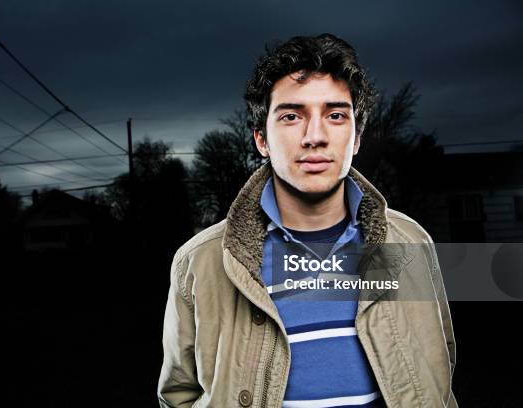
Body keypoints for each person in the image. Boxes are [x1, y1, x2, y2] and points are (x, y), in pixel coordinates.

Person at [158, 34, 457, 408]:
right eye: (291, 116)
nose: (314, 136)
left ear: (357, 137)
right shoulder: (197, 262)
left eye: (335, 115)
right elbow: (178, 395)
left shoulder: (412, 241)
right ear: (261, 140)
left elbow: (439, 374)